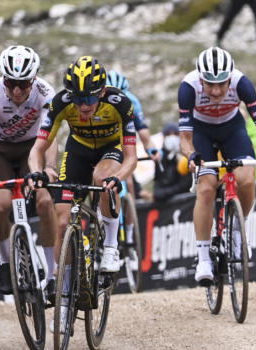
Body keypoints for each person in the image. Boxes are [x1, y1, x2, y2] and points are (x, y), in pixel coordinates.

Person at [26, 56, 137, 333]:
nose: (82, 106)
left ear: (101, 92)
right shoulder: (62, 103)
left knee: (102, 179)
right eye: (77, 99)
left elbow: (132, 158)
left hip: (110, 150)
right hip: (78, 151)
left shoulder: (120, 103)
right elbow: (38, 148)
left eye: (88, 98)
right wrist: (37, 171)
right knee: (62, 221)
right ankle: (63, 303)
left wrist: (118, 178)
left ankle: (110, 246)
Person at [178, 47, 256, 285]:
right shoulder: (188, 87)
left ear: (230, 78)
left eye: (221, 84)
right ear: (200, 78)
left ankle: (236, 231)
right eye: (209, 84)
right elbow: (185, 138)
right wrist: (192, 156)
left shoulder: (242, 83)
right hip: (201, 132)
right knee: (206, 187)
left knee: (246, 179)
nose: (215, 91)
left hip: (232, 129)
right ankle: (203, 257)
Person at [0, 45, 58, 295]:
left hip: (34, 146)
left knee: (44, 201)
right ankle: (6, 263)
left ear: (34, 79)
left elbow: (50, 137)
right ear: (3, 79)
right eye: (10, 83)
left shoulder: (45, 93)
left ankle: (52, 272)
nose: (17, 90)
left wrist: (49, 168)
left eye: (23, 83)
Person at [106, 70, 161, 245]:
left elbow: (143, 132)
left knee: (128, 183)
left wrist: (151, 150)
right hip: (103, 142)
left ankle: (129, 233)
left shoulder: (132, 103)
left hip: (122, 143)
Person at [153, 121, 191, 202]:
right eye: (168, 134)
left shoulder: (186, 156)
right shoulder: (160, 158)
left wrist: (163, 193)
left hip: (185, 203)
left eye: (175, 134)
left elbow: (186, 184)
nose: (172, 137)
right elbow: (157, 186)